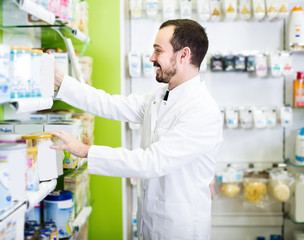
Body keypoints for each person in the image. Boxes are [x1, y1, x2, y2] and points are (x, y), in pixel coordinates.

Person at [50, 19, 223, 240]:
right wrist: (61, 80)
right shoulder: (161, 96)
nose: (151, 58)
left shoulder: (201, 110)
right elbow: (110, 104)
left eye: (158, 51)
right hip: (151, 224)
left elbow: (151, 162)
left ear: (183, 55)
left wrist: (86, 151)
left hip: (179, 230)